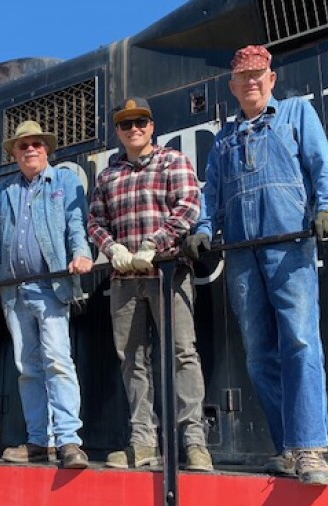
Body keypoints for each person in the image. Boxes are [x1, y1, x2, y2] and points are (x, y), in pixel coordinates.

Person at [184, 45, 328, 485]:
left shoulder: (297, 114)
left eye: (259, 74)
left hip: (289, 245)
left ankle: (310, 448)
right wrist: (202, 227)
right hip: (241, 253)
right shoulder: (223, 140)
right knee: (259, 353)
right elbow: (210, 194)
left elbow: (323, 167)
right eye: (244, 77)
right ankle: (286, 447)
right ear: (233, 86)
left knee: (299, 341)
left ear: (271, 79)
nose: (252, 81)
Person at [87, 98, 212, 471]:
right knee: (132, 361)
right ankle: (143, 441)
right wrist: (113, 250)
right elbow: (95, 222)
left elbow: (188, 205)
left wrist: (151, 245)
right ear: (118, 132)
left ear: (152, 125)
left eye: (140, 121)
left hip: (168, 273)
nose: (134, 129)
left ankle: (194, 442)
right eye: (126, 124)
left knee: (182, 354)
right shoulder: (108, 176)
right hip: (125, 280)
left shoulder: (173, 161)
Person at [0, 120, 93, 469]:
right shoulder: (4, 192)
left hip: (51, 286)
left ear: (47, 149)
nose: (31, 149)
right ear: (14, 152)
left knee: (58, 361)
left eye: (37, 144)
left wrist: (81, 254)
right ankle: (40, 440)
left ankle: (69, 440)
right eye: (24, 145)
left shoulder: (65, 182)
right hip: (14, 292)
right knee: (27, 367)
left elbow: (76, 224)